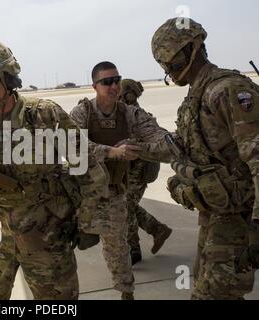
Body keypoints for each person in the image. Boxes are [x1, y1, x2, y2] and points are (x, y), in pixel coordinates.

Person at [0, 41, 111, 300]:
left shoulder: (44, 115)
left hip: (46, 238)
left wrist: (90, 222)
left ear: (8, 78)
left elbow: (87, 168)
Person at [147, 17, 259, 299]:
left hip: (240, 218)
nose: (169, 71)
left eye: (171, 62)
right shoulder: (196, 96)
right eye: (164, 65)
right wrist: (136, 148)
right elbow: (182, 146)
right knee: (208, 287)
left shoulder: (227, 90)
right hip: (215, 216)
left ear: (193, 49)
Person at [70, 62, 169, 299]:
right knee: (68, 246)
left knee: (117, 248)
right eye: (107, 82)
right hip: (83, 195)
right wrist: (111, 152)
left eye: (117, 80)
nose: (114, 86)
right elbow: (74, 146)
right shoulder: (82, 112)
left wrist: (144, 147)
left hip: (113, 193)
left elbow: (158, 135)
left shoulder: (130, 113)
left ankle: (126, 293)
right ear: (95, 86)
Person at [119, 79, 172, 264]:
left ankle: (133, 250)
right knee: (127, 205)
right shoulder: (121, 113)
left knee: (126, 207)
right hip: (127, 171)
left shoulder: (138, 117)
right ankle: (157, 229)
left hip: (137, 170)